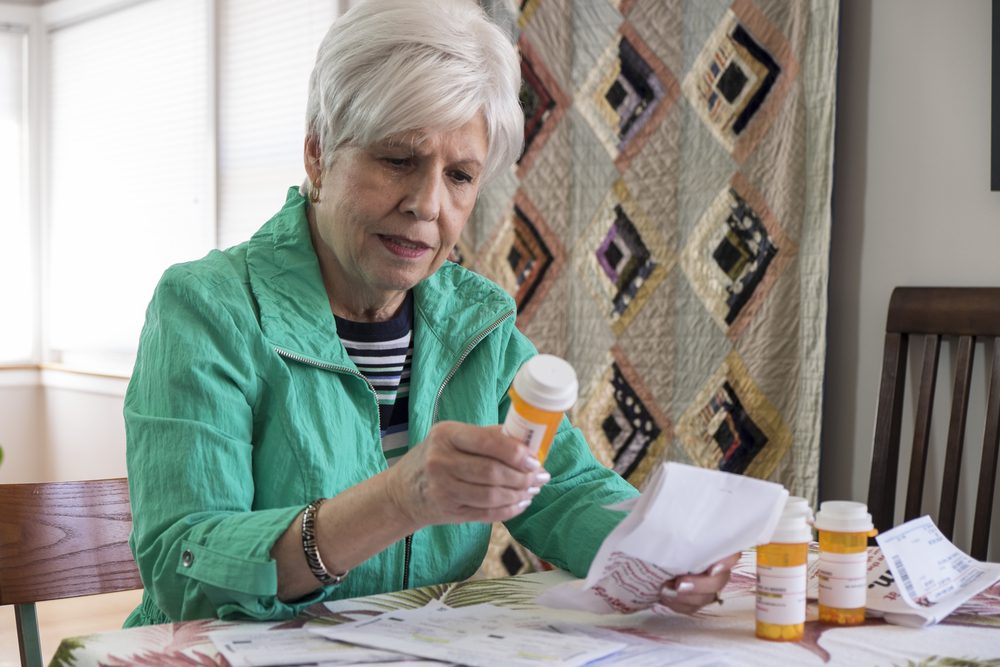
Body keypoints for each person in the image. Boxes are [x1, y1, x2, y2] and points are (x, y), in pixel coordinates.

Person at [124, 0, 737, 627]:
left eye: (461, 175)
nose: (427, 204)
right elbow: (183, 573)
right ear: (318, 155)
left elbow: (562, 489)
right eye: (398, 160)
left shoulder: (479, 324)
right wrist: (396, 500)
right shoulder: (207, 309)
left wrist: (658, 552)